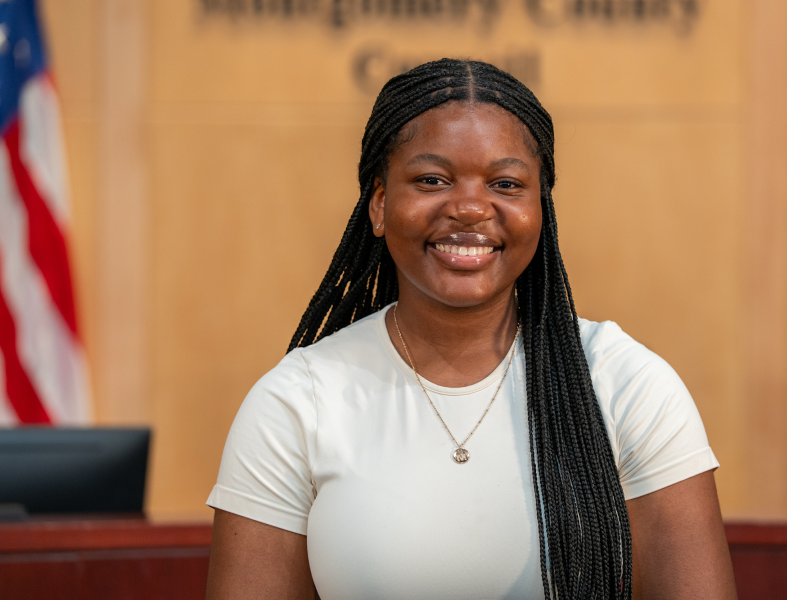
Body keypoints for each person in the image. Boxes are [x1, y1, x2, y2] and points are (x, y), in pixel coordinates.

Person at [204, 59, 738, 600]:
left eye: (505, 183)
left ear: (540, 208)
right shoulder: (296, 402)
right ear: (381, 203)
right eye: (432, 179)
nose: (469, 208)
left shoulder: (628, 386)